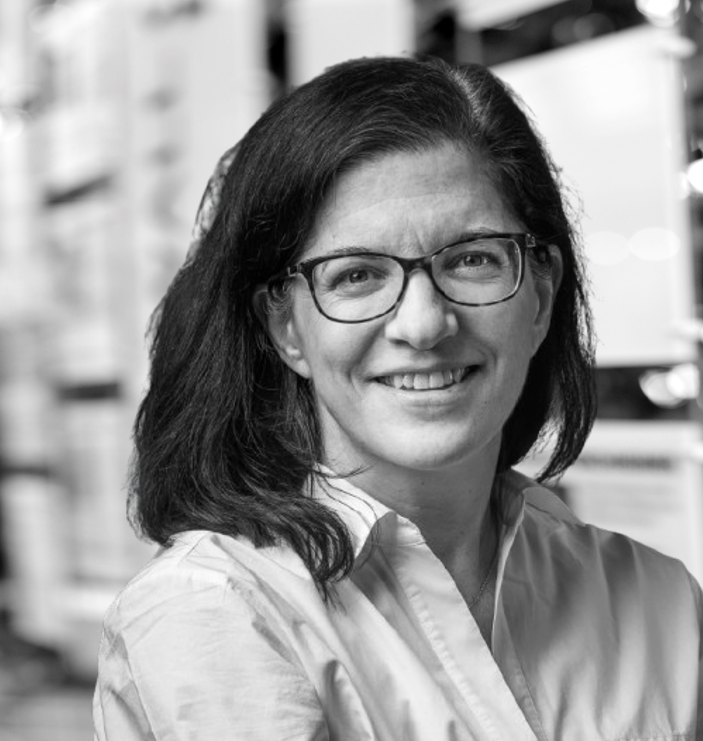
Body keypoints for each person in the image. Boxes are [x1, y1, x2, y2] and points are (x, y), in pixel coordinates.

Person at [93, 56, 702, 740]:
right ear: (286, 329)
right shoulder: (216, 612)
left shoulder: (660, 603)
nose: (423, 324)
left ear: (539, 295)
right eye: (356, 275)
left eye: (472, 258)